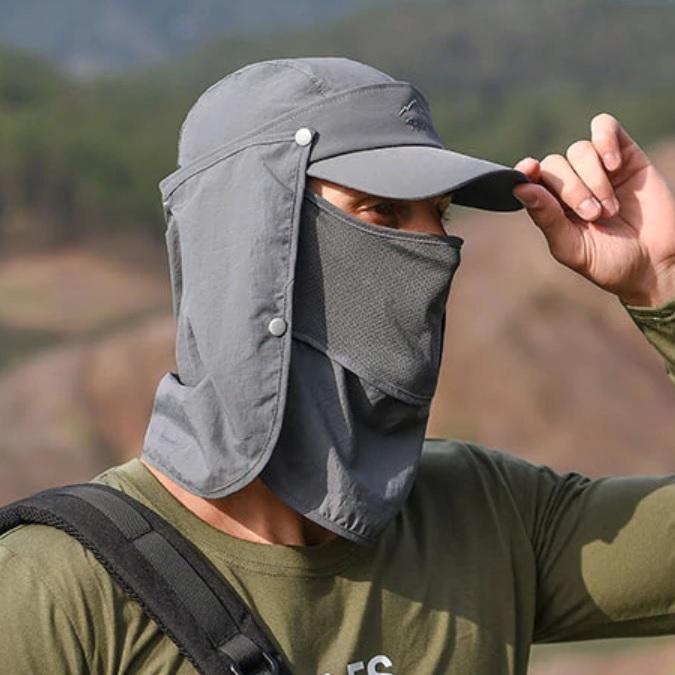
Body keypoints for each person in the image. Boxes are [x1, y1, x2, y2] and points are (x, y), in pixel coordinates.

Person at [1, 56, 675, 674]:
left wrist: (660, 284)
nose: (435, 250)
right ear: (251, 240)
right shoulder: (56, 591)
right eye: (383, 210)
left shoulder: (485, 517)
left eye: (440, 215)